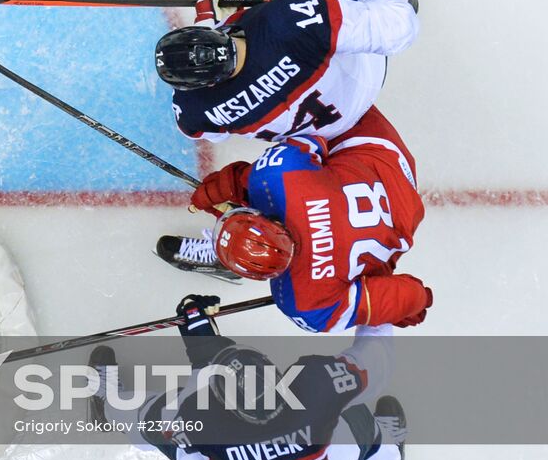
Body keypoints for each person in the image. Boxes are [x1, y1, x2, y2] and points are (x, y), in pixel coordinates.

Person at [92, 295, 407, 460]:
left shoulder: (197, 418)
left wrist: (199, 333)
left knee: (149, 420)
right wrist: (372, 300)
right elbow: (378, 356)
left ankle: (108, 409)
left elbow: (203, 375)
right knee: (359, 421)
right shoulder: (316, 387)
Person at [156, 106, 432, 332]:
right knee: (301, 110)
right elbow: (307, 121)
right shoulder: (306, 304)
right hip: (376, 146)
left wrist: (406, 307)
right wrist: (227, 186)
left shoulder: (311, 301)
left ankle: (230, 255)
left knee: (360, 291)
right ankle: (233, 254)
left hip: (401, 215)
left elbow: (411, 293)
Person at [156, 0, 419, 143]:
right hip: (362, 81)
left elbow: (206, 132)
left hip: (325, 132)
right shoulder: (286, 22)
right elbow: (401, 28)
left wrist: (211, 27)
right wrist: (213, 24)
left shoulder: (191, 109)